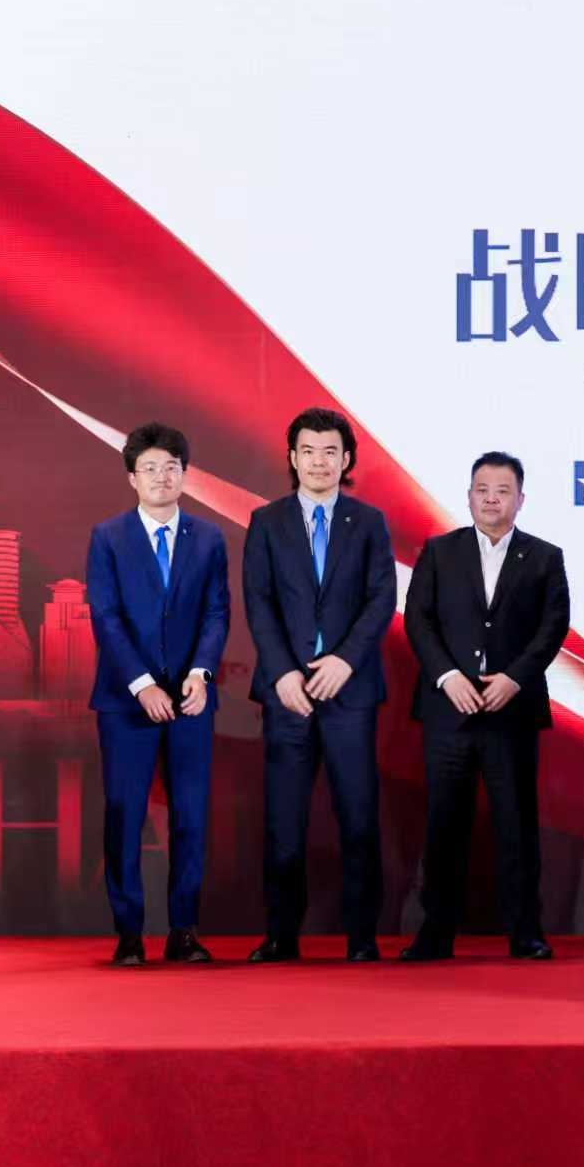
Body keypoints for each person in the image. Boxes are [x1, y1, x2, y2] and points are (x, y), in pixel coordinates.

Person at [400, 452, 570, 962]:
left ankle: (525, 932)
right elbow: (418, 620)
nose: (492, 499)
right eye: (482, 489)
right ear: (469, 496)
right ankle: (436, 932)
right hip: (448, 708)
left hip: (510, 710)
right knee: (443, 823)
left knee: (516, 824)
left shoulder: (544, 557)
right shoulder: (439, 551)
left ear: (521, 499)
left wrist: (515, 679)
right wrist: (447, 676)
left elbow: (552, 627)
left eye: (502, 490)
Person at [242, 407, 396, 963]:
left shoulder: (369, 522)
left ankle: (362, 937)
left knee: (358, 818)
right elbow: (258, 601)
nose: (319, 462)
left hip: (349, 692)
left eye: (330, 452)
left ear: (346, 459)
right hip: (287, 694)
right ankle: (281, 935)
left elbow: (382, 598)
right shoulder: (267, 521)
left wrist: (345, 661)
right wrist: (284, 672)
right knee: (284, 822)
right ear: (292, 457)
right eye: (308, 451)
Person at [85, 423, 230, 966]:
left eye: (171, 467)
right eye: (150, 468)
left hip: (192, 699)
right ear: (132, 477)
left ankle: (183, 931)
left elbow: (217, 612)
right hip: (126, 701)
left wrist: (201, 673)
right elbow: (106, 616)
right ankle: (129, 933)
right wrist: (142, 683)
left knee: (190, 815)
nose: (161, 477)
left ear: (185, 474)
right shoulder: (108, 537)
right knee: (125, 812)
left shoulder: (209, 538)